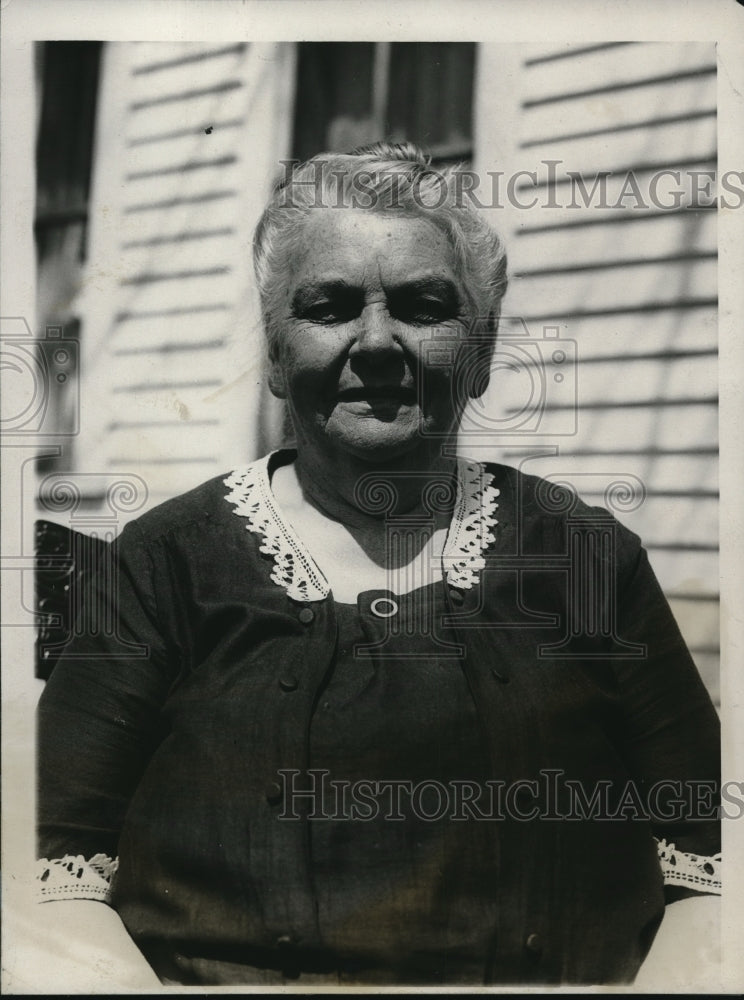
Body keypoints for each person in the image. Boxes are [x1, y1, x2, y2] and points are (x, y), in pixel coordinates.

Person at [36, 142, 721, 988]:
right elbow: (58, 879)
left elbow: (706, 867)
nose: (376, 343)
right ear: (277, 354)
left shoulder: (585, 558)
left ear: (481, 347)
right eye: (328, 307)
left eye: (423, 305)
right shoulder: (158, 567)